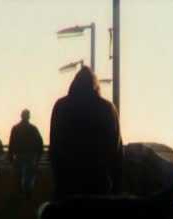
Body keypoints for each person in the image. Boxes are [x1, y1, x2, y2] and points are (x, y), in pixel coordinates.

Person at [49, 66, 123, 198]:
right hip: (99, 181)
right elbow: (116, 150)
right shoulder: (107, 108)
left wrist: (58, 178)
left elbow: (55, 146)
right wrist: (115, 185)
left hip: (68, 181)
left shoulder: (61, 106)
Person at [8, 109, 44, 197]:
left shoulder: (16, 128)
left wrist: (10, 155)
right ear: (29, 116)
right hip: (29, 155)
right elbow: (40, 143)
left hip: (20, 154)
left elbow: (11, 142)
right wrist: (38, 156)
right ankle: (27, 189)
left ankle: (21, 190)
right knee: (28, 175)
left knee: (19, 175)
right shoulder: (33, 129)